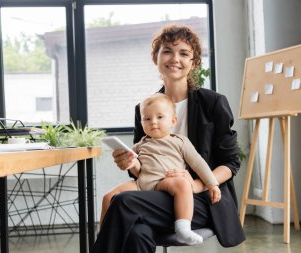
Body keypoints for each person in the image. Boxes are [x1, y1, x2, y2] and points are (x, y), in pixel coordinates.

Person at [93, 24, 245, 253]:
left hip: (203, 198)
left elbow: (231, 163)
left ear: (193, 63)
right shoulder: (144, 108)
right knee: (137, 232)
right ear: (156, 58)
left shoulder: (213, 103)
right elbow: (142, 168)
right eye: (167, 51)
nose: (175, 58)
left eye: (184, 53)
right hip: (154, 193)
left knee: (123, 203)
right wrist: (130, 163)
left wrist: (194, 185)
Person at [99, 93, 221, 245]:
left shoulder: (180, 142)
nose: (153, 122)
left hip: (165, 181)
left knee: (182, 184)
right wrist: (132, 163)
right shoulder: (140, 144)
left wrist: (212, 184)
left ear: (173, 121)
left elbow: (199, 163)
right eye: (147, 118)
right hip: (142, 183)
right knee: (108, 197)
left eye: (160, 117)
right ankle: (103, 235)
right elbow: (138, 170)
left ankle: (183, 228)